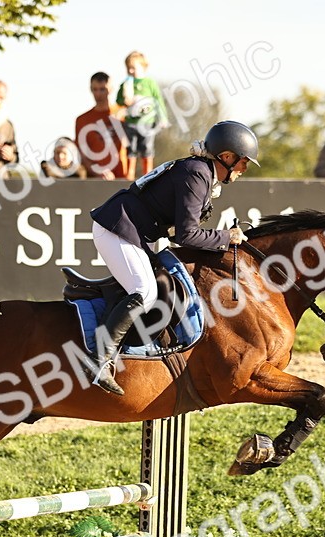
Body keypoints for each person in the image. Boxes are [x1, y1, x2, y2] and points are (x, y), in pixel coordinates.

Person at [87, 120, 259, 395]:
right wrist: (227, 237)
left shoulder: (200, 171)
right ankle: (99, 360)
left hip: (136, 231)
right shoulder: (197, 173)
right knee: (143, 290)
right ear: (226, 157)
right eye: (243, 162)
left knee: (163, 280)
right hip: (117, 228)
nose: (244, 169)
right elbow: (186, 235)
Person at [116, 51, 168, 180]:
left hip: (147, 122)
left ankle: (148, 173)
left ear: (143, 67)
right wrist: (125, 100)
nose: (131, 71)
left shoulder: (149, 83)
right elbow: (118, 100)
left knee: (147, 147)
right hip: (131, 121)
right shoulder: (126, 84)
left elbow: (158, 100)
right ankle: (130, 173)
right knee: (131, 147)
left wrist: (162, 117)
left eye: (134, 68)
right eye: (128, 68)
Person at [75, 71, 127, 179]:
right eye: (95, 89)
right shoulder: (82, 120)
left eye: (103, 89)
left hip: (124, 178)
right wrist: (98, 172)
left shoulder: (124, 114)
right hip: (96, 182)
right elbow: (82, 154)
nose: (98, 94)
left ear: (111, 89)